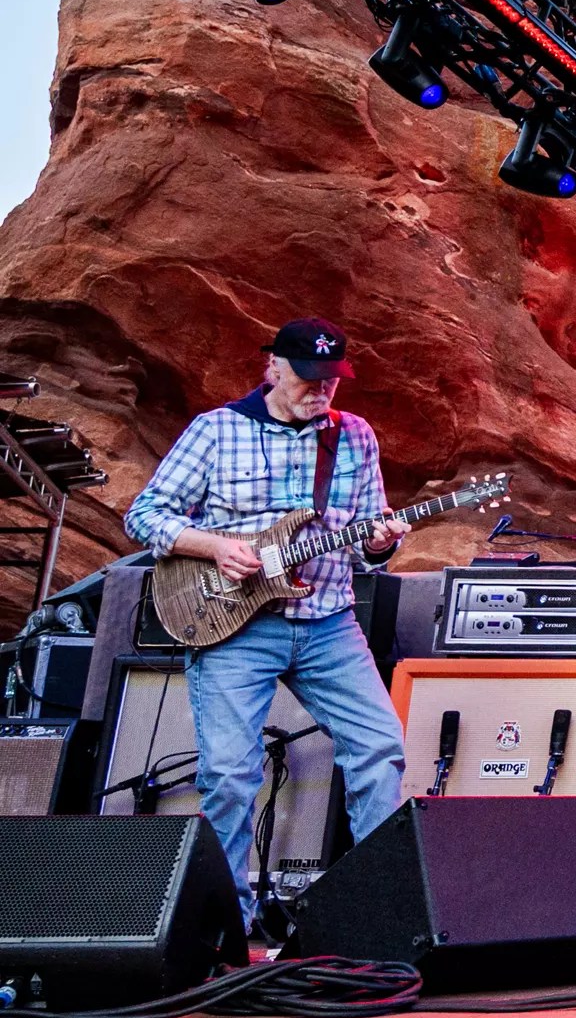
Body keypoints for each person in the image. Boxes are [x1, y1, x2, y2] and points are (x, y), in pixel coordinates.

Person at [123, 317, 412, 933]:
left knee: (380, 748)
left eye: (331, 381)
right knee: (229, 775)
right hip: (233, 625)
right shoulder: (217, 431)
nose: (321, 392)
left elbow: (366, 548)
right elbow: (145, 515)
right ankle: (231, 926)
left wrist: (383, 542)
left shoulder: (354, 437)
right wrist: (212, 547)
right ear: (273, 367)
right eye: (308, 379)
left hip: (328, 622)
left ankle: (376, 914)